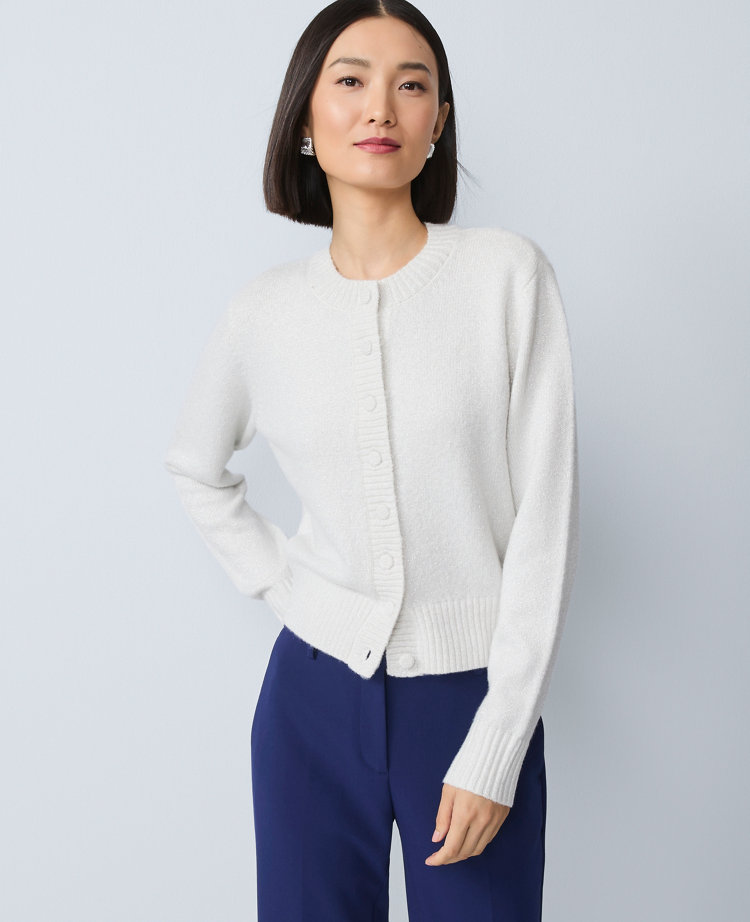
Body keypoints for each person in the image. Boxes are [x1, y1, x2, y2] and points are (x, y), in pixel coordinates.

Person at [163, 0, 580, 918]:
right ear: (306, 118)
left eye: (412, 85)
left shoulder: (507, 278)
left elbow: (545, 527)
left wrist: (496, 745)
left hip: (468, 702)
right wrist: (286, 584)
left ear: (438, 123)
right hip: (309, 702)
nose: (381, 107)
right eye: (350, 80)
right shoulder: (263, 312)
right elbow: (196, 466)